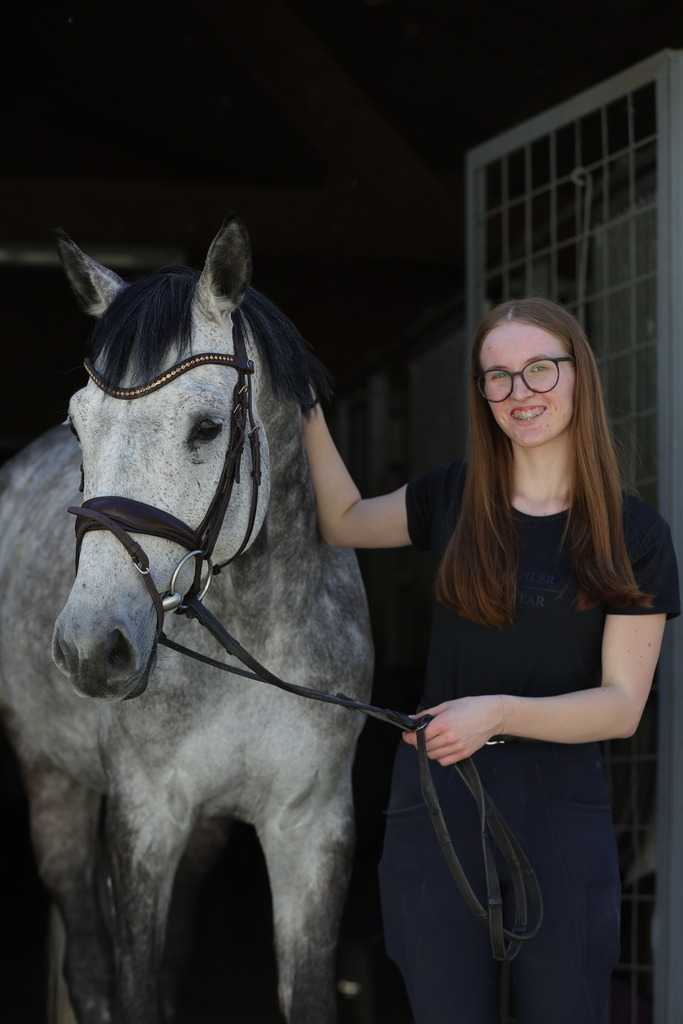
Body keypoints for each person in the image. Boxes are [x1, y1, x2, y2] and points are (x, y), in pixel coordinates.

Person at [302, 297, 680, 1024]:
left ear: (577, 376)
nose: (519, 392)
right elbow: (341, 521)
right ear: (481, 393)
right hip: (437, 799)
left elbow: (620, 704)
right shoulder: (451, 495)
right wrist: (308, 408)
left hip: (557, 805)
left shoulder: (632, 533)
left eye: (539, 369)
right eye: (497, 377)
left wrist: (497, 712)